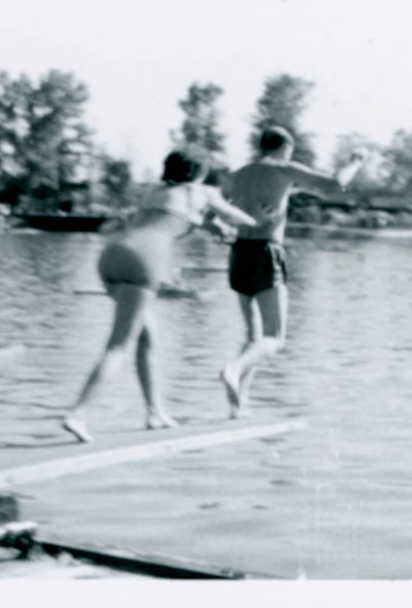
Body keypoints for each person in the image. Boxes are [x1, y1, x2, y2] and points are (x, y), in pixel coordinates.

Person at [62, 149, 266, 441]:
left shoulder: (154, 192)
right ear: (199, 173)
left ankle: (155, 411)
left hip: (111, 256)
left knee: (148, 338)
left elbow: (176, 217)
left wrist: (212, 225)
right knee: (118, 346)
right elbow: (236, 217)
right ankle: (78, 413)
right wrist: (258, 220)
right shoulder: (200, 191)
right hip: (144, 260)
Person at [218, 126, 368, 417]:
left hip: (238, 252)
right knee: (275, 337)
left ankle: (238, 407)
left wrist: (230, 226)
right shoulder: (284, 168)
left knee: (254, 337)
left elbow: (216, 210)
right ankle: (233, 369)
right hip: (266, 252)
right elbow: (335, 183)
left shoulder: (240, 174)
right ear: (286, 148)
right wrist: (356, 161)